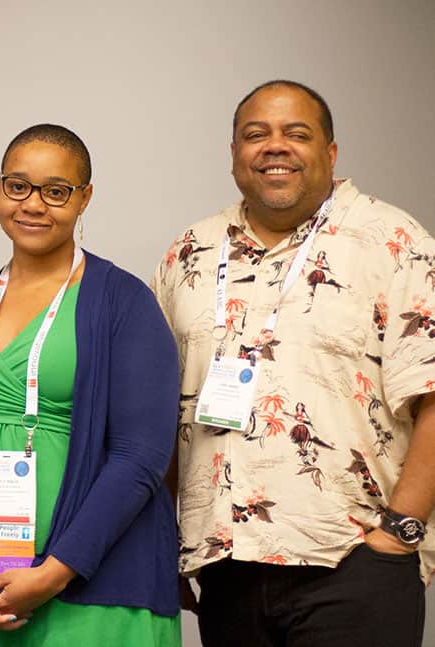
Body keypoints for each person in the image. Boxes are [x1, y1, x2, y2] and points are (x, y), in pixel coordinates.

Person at [152, 80, 435, 647]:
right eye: (255, 135)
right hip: (226, 567)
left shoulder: (394, 241)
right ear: (234, 155)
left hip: (352, 563)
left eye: (295, 134)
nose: (274, 146)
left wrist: (398, 535)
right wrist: (163, 541)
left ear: (330, 153)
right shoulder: (192, 251)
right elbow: (162, 409)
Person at [0, 124, 182, 645]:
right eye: (18, 186)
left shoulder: (124, 304)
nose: (33, 204)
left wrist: (54, 573)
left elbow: (140, 458)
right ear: (0, 187)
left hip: (96, 587)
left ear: (85, 199)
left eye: (56, 191)